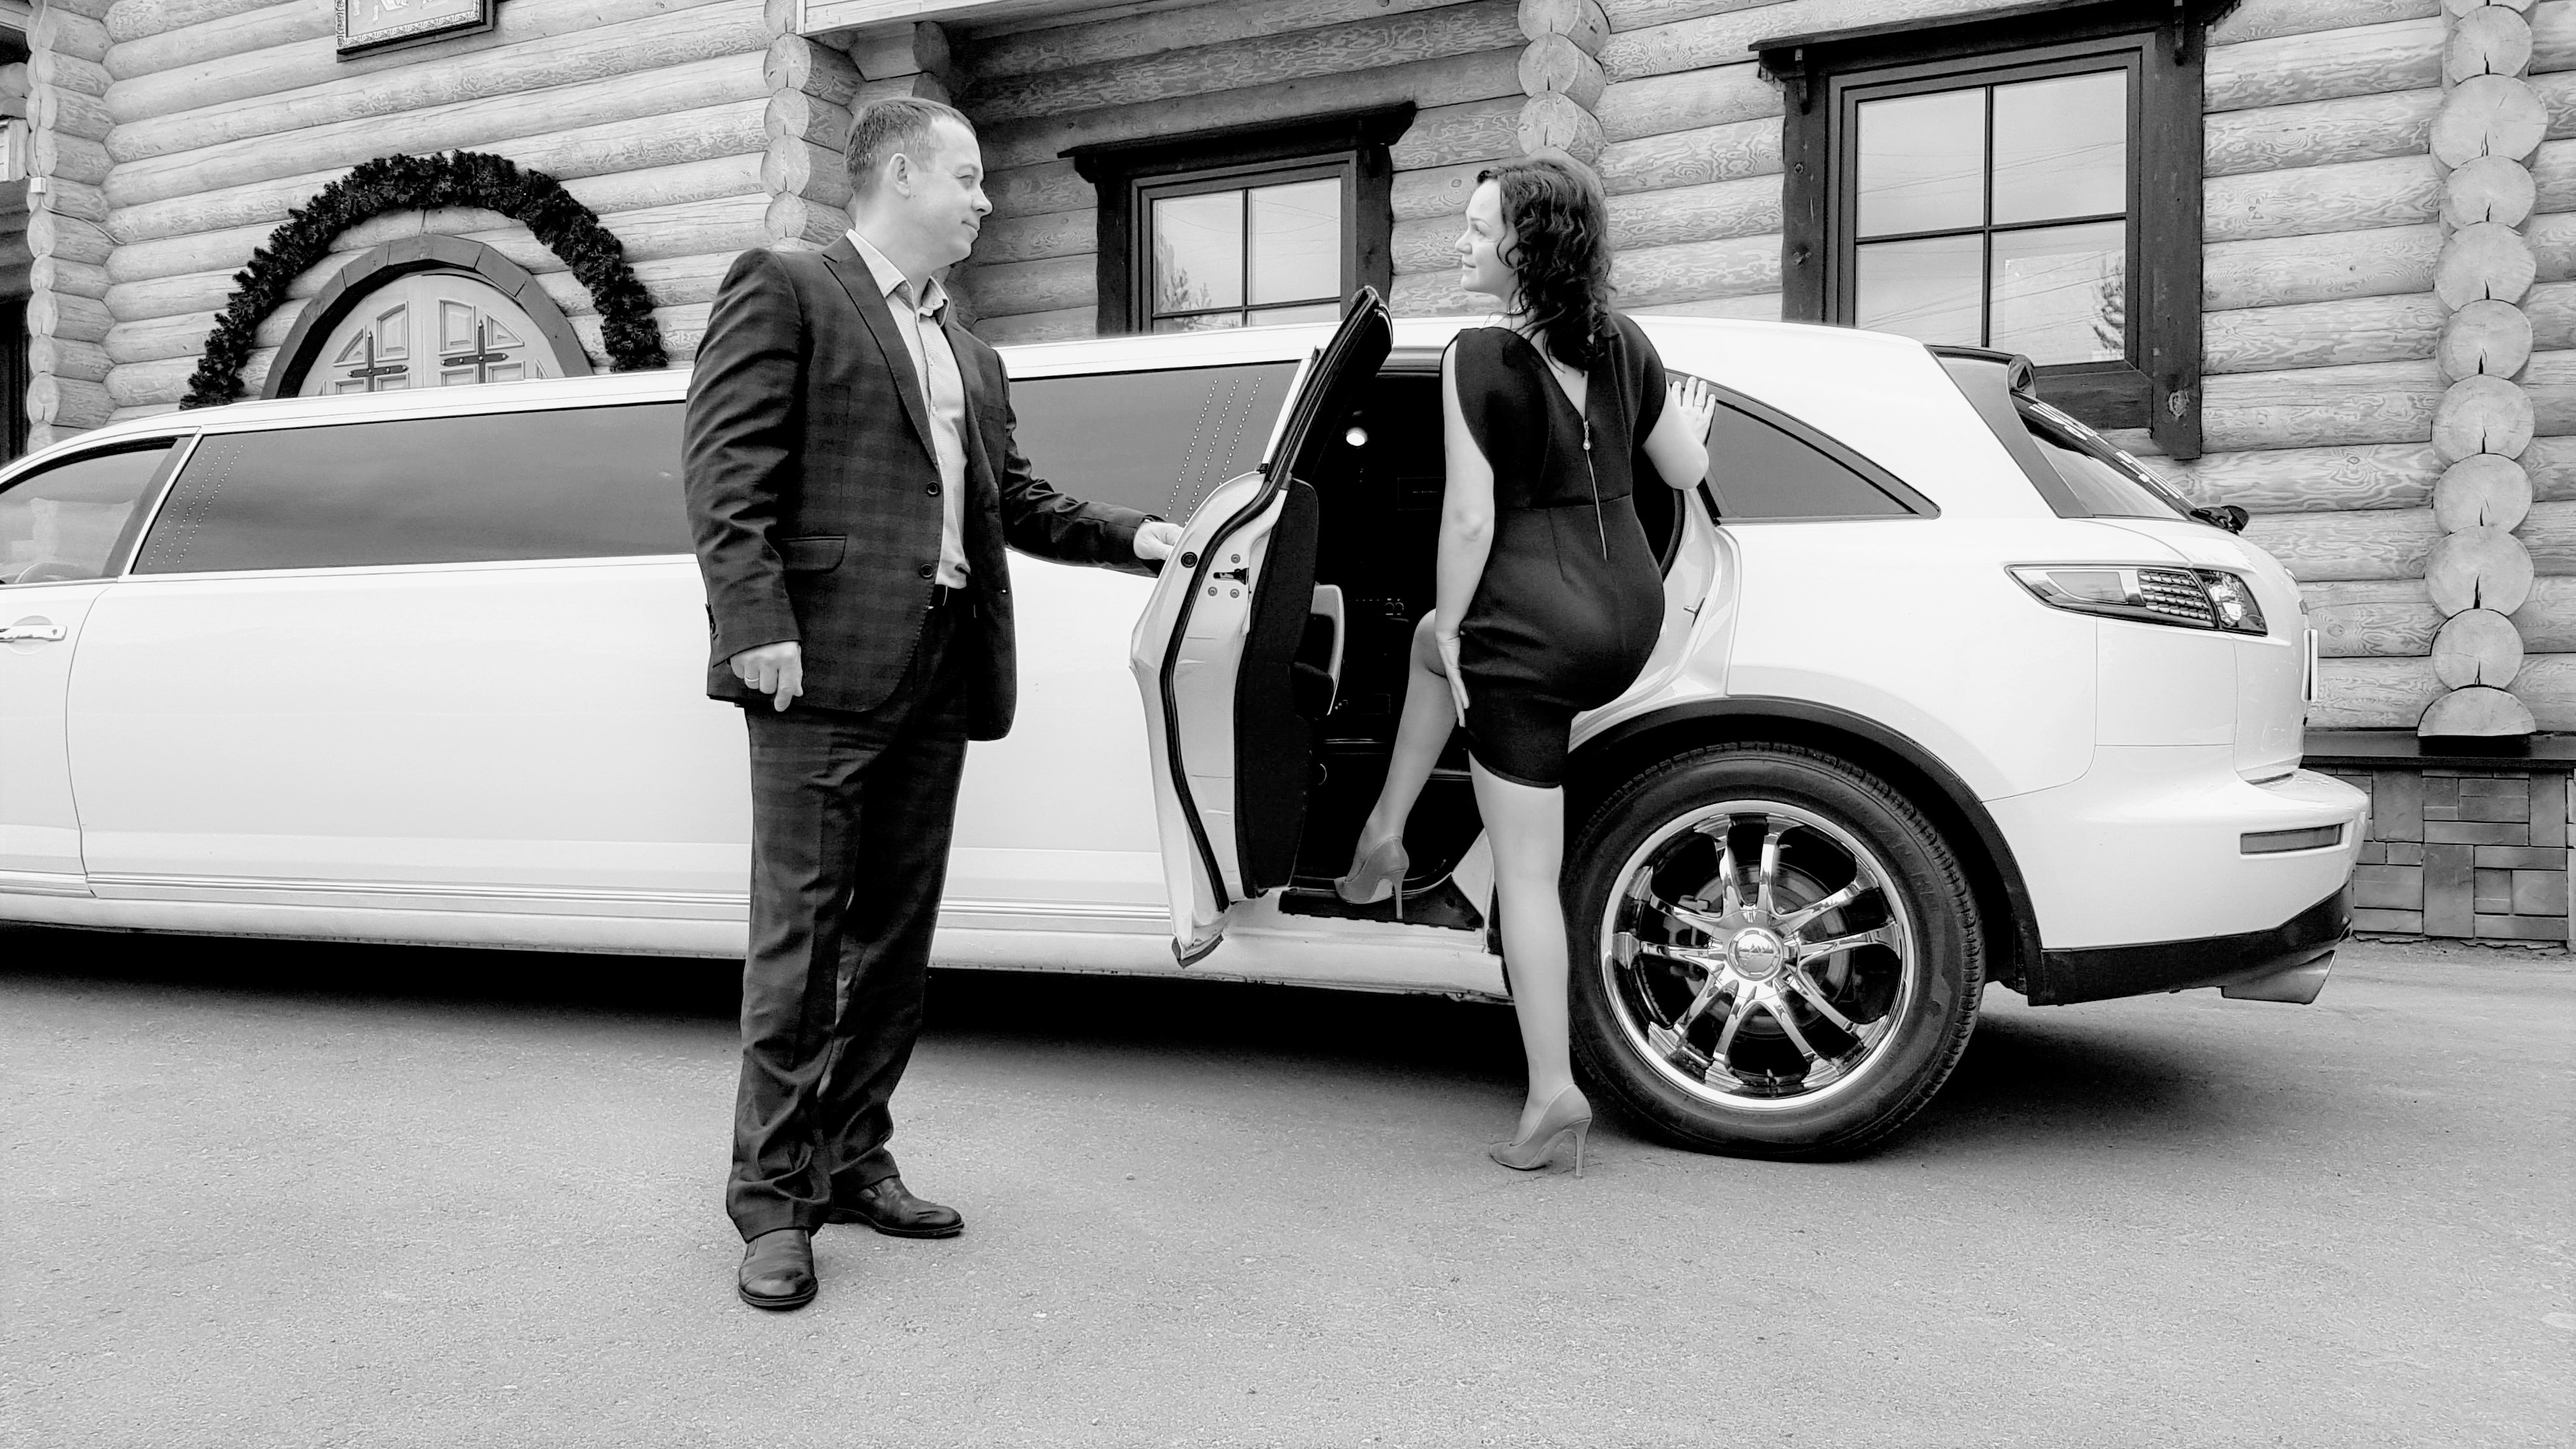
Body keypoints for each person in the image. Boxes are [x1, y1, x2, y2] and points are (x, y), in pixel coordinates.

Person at [683, 97, 1183, 1311]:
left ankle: (855, 1156)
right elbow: (725, 472)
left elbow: (1015, 498)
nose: (984, 200)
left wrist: (1140, 536)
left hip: (940, 669)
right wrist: (756, 625)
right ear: (900, 173)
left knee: (894, 942)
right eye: (967, 177)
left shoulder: (970, 349)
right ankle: (772, 1199)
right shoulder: (788, 287)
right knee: (801, 942)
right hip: (818, 668)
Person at [1334, 154, 1715, 1174]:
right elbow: (1683, 469)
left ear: (1526, 246)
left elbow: (1468, 519)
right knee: (1426, 643)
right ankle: (1384, 837)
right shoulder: (1627, 342)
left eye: (1476, 228)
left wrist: (1460, 628)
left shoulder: (1474, 356)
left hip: (1531, 628)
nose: (1459, 242)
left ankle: (1552, 1093)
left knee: (1528, 873)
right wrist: (1680, 423)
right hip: (1627, 619)